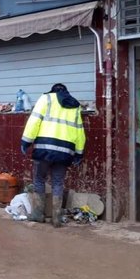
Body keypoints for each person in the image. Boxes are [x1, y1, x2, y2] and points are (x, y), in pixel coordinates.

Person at [20, 83, 86, 227]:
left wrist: (26, 141)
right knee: (58, 182)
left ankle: (38, 214)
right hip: (65, 152)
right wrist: (79, 153)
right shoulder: (75, 105)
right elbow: (80, 132)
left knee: (39, 179)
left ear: (52, 91)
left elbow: (34, 121)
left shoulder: (46, 99)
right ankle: (56, 217)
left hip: (44, 149)